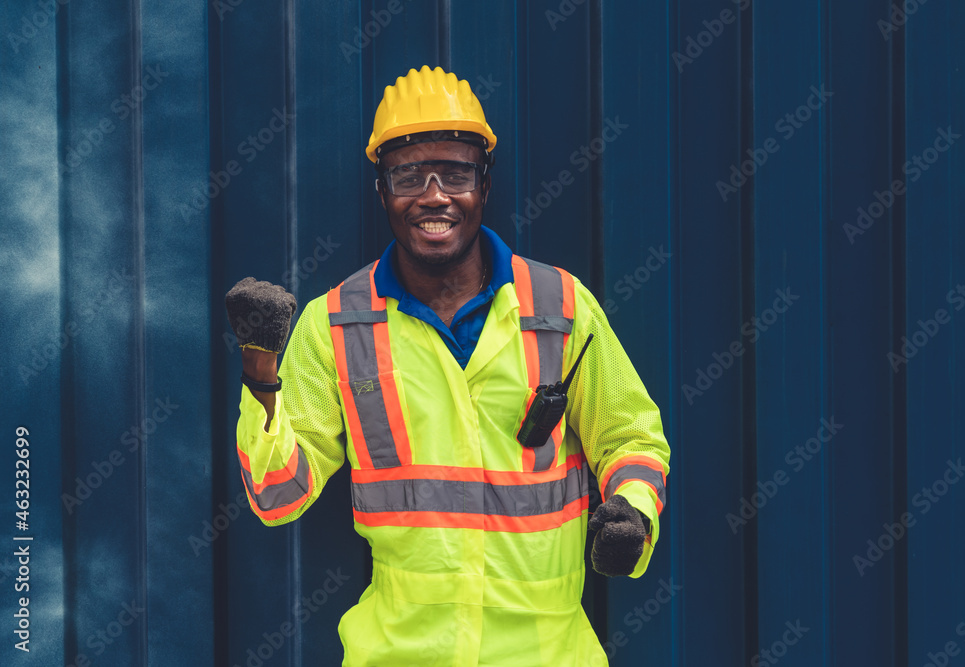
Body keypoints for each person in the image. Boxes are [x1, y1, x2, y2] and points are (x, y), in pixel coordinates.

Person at [225, 65, 670, 666]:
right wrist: (259, 370)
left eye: (455, 173)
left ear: (484, 185)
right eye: (408, 174)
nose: (434, 194)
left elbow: (630, 436)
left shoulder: (560, 306)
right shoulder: (335, 324)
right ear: (381, 190)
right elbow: (277, 496)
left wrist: (632, 514)